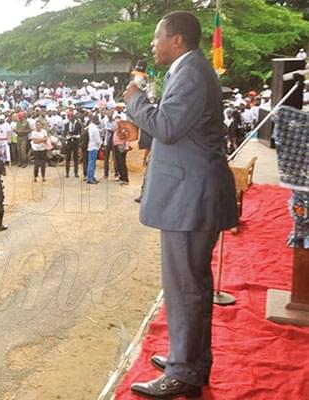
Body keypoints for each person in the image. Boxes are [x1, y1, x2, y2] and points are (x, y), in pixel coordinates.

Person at [123, 11, 239, 398]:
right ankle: (189, 357)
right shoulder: (187, 70)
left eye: (157, 38)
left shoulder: (190, 73)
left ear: (176, 40)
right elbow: (181, 130)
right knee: (191, 285)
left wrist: (135, 101)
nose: (153, 46)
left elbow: (170, 127)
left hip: (190, 198)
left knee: (185, 287)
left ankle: (183, 371)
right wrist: (141, 132)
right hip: (189, 192)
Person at [62, 113, 82, 178]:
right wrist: (67, 137)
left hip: (75, 142)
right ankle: (67, 173)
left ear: (74, 117)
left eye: (71, 117)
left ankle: (76, 173)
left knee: (75, 158)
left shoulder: (78, 124)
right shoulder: (67, 124)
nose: (70, 119)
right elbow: (64, 133)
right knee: (68, 157)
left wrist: (76, 136)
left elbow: (80, 133)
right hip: (69, 142)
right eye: (69, 117)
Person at [85, 117, 103, 184]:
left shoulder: (90, 127)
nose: (99, 121)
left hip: (90, 146)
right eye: (98, 120)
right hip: (94, 147)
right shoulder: (95, 129)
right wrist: (101, 144)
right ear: (95, 120)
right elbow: (98, 140)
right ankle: (90, 178)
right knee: (92, 163)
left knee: (91, 163)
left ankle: (91, 176)